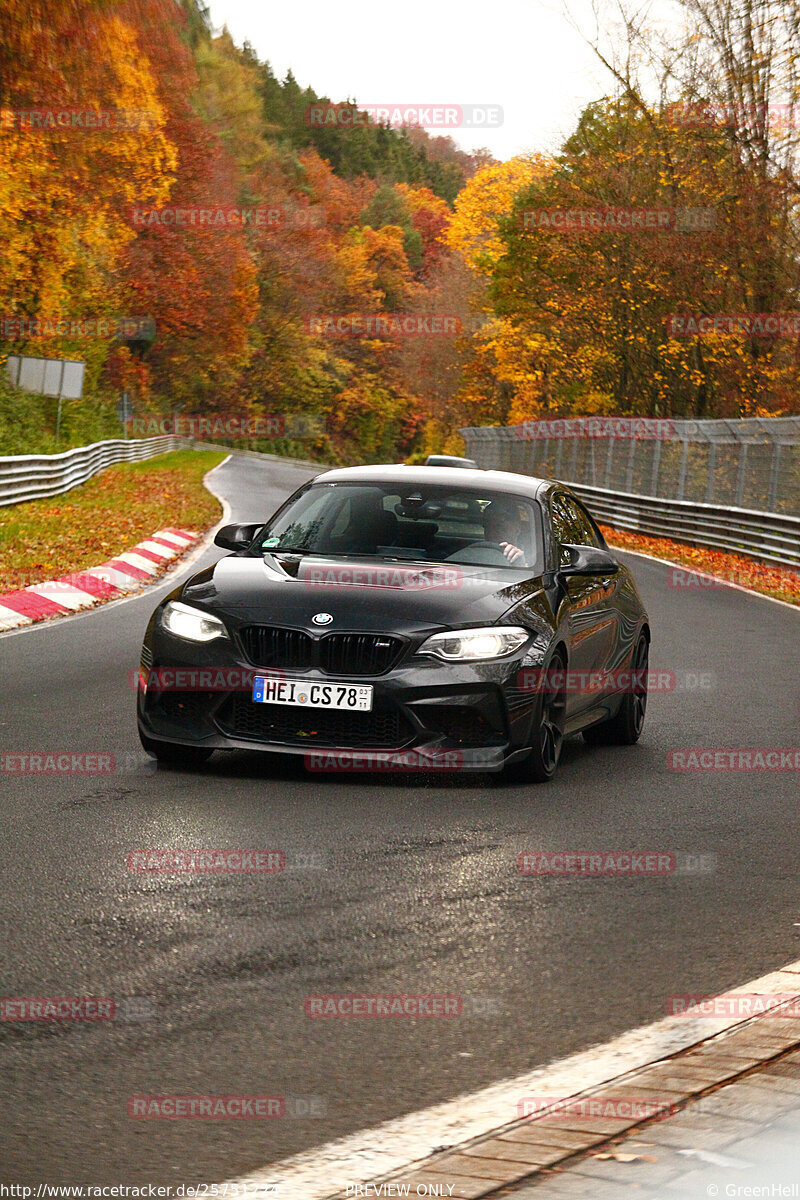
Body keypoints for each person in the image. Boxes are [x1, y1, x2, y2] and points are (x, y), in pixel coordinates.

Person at [482, 500, 529, 565]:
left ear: (518, 527)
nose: (492, 533)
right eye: (487, 526)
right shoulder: (477, 554)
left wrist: (521, 564)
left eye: (499, 527)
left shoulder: (533, 556)